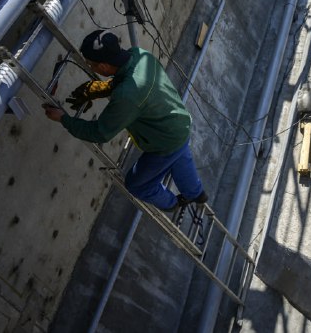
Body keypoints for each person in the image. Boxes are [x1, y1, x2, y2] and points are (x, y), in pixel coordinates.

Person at [42, 30, 207, 210]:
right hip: (179, 122)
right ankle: (196, 193)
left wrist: (64, 119)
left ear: (104, 66)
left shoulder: (127, 96)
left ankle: (172, 204)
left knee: (137, 184)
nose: (90, 68)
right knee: (181, 152)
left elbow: (100, 132)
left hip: (164, 142)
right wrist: (99, 89)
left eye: (91, 65)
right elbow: (124, 81)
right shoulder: (139, 54)